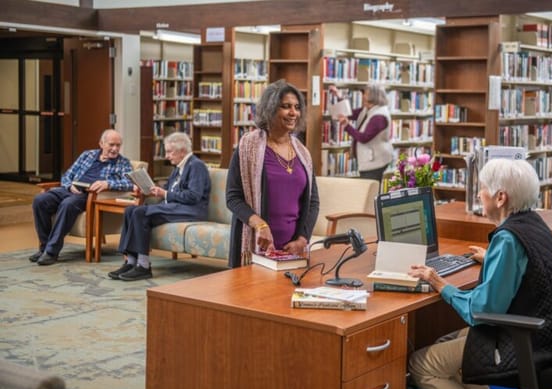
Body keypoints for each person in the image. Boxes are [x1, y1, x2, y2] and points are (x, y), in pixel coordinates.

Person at [407, 158, 552, 389]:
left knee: (422, 364)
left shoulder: (508, 240)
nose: (480, 195)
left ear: (500, 197)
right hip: (547, 335)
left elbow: (481, 311)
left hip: (524, 343)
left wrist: (440, 283)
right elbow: (528, 269)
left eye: (483, 189)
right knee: (446, 340)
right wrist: (492, 260)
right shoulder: (533, 224)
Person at [226, 79, 320, 268]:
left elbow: (313, 202)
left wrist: (302, 239)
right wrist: (260, 225)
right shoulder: (247, 147)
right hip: (254, 247)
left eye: (296, 107)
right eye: (285, 106)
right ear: (270, 109)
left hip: (291, 250)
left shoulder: (303, 153)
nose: (293, 112)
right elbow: (233, 198)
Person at [108, 132, 211, 281]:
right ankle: (130, 261)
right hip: (176, 207)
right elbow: (168, 189)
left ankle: (143, 265)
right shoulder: (178, 167)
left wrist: (165, 194)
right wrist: (149, 191)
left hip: (192, 210)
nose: (167, 156)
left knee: (140, 213)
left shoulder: (196, 166)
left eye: (170, 152)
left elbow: (193, 196)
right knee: (131, 210)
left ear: (182, 151)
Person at [31, 129, 133, 266]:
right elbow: (68, 175)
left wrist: (107, 183)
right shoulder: (87, 155)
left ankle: (51, 252)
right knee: (40, 200)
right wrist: (69, 186)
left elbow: (130, 183)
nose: (115, 149)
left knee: (67, 204)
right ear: (101, 144)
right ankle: (44, 247)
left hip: (89, 195)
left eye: (118, 145)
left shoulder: (123, 163)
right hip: (70, 189)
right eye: (111, 144)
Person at [329, 84, 394, 182]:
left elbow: (364, 138)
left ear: (374, 97)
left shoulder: (379, 116)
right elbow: (349, 113)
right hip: (369, 159)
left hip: (375, 161)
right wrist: (339, 96)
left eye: (366, 94)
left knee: (370, 190)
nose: (363, 96)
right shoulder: (368, 109)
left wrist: (346, 126)